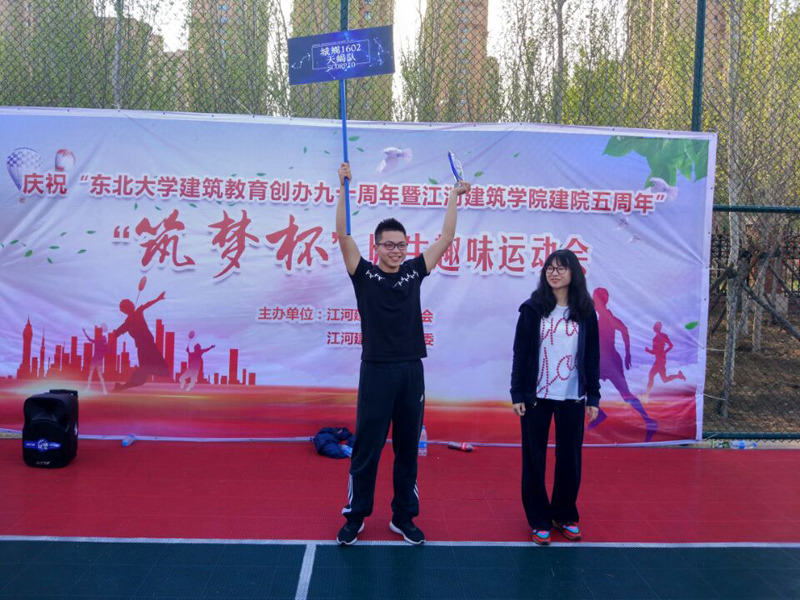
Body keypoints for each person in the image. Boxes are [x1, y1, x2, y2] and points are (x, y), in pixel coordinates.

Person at [334, 162, 470, 546]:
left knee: (408, 448)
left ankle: (403, 517)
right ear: (376, 246)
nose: (395, 251)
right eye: (388, 245)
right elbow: (342, 234)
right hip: (376, 371)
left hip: (411, 370)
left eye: (400, 245)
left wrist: (453, 196)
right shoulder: (364, 274)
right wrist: (343, 186)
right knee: (367, 448)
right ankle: (356, 515)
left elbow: (446, 237)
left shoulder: (413, 271)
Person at [510, 249, 600, 546]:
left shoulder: (585, 311)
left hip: (572, 396)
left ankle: (564, 515)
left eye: (561, 268)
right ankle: (538, 520)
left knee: (570, 458)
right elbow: (521, 353)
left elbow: (592, 356)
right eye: (550, 268)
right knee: (533, 459)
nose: (554, 273)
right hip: (535, 396)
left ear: (574, 273)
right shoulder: (532, 309)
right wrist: (517, 392)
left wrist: (593, 396)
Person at [590, 287, 658, 441]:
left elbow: (624, 330)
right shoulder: (598, 318)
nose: (593, 302)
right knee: (581, 387)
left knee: (626, 395)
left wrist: (628, 354)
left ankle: (649, 421)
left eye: (595, 299)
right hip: (600, 362)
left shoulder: (608, 317)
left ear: (600, 301)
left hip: (611, 362)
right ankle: (599, 414)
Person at [112, 292, 170, 391]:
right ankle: (125, 384)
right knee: (158, 370)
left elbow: (117, 332)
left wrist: (158, 299)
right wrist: (158, 299)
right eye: (130, 303)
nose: (132, 303)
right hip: (146, 347)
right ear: (127, 307)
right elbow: (147, 305)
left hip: (146, 347)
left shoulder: (129, 320)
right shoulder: (133, 317)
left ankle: (123, 386)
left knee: (148, 373)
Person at [643, 321, 685, 400]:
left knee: (652, 376)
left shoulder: (663, 336)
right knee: (663, 379)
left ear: (657, 328)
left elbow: (671, 345)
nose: (655, 327)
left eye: (656, 326)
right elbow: (655, 352)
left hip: (661, 360)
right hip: (658, 360)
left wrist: (664, 352)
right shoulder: (654, 339)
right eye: (655, 326)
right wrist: (648, 350)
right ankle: (679, 376)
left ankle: (646, 396)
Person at [82, 324, 108, 394]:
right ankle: (103, 390)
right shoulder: (103, 344)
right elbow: (90, 339)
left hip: (96, 361)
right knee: (96, 375)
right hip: (97, 361)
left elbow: (89, 339)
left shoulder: (99, 342)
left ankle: (104, 390)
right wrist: (85, 332)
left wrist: (84, 332)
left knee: (93, 375)